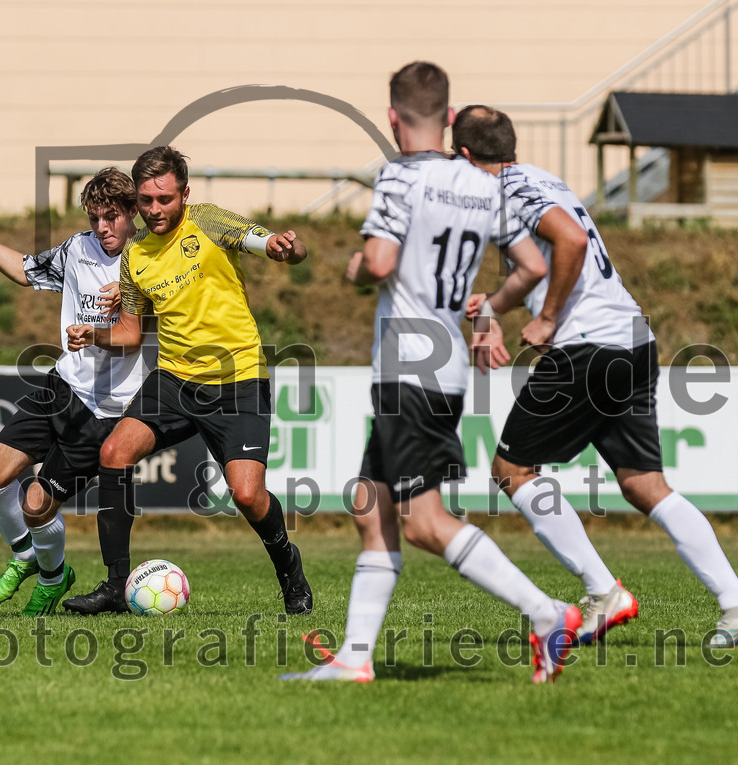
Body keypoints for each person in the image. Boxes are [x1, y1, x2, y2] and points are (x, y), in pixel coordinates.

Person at [282, 62, 580, 684]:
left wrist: (358, 267)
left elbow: (382, 259)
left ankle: (548, 613)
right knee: (373, 508)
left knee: (423, 522)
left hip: (409, 366)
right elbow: (528, 263)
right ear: (448, 118)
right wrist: (485, 308)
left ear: (393, 117)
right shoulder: (478, 183)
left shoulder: (399, 176)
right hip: (441, 363)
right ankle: (354, 660)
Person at [454, 105, 738, 648]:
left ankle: (604, 593)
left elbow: (571, 242)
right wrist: (498, 307)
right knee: (644, 485)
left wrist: (547, 316)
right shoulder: (540, 179)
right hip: (630, 339)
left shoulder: (505, 194)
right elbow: (547, 258)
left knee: (512, 469)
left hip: (588, 346)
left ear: (464, 157)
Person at [62, 145, 314, 616]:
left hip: (237, 379)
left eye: (164, 199)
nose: (154, 210)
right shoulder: (135, 254)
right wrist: (94, 334)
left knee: (247, 495)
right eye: (145, 201)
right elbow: (132, 333)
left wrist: (286, 246)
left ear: (184, 195)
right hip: (175, 381)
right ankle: (117, 588)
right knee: (114, 453)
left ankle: (290, 570)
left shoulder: (209, 221)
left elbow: (270, 244)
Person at [0, 167, 151, 616]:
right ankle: (26, 555)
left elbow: (134, 338)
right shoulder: (77, 248)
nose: (102, 227)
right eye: (95, 217)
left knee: (37, 506)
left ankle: (54, 579)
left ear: (133, 212)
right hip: (62, 387)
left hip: (106, 411)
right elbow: (24, 269)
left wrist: (100, 327)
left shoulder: (151, 259)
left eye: (111, 216)